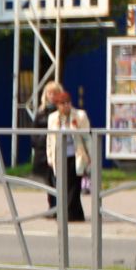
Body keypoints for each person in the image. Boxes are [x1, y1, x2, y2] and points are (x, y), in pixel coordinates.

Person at [45, 87, 91, 223]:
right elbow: (49, 139)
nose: (66, 106)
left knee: (74, 186)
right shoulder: (52, 118)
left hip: (76, 156)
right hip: (59, 157)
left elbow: (87, 138)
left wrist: (91, 156)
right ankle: (76, 215)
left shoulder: (80, 116)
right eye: (63, 103)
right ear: (57, 105)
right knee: (62, 186)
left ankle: (67, 215)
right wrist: (49, 157)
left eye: (68, 103)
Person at [28, 81, 61, 213]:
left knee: (58, 180)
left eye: (54, 93)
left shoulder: (61, 110)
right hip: (43, 151)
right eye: (49, 93)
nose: (52, 96)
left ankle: (59, 207)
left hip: (57, 149)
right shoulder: (41, 112)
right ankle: (52, 207)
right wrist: (38, 143)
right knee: (48, 181)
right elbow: (34, 131)